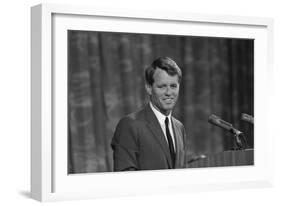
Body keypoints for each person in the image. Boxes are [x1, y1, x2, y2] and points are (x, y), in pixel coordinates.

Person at [111, 57, 188, 171]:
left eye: (173, 86)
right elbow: (125, 177)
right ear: (149, 88)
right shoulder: (130, 125)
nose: (168, 92)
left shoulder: (179, 127)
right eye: (162, 86)